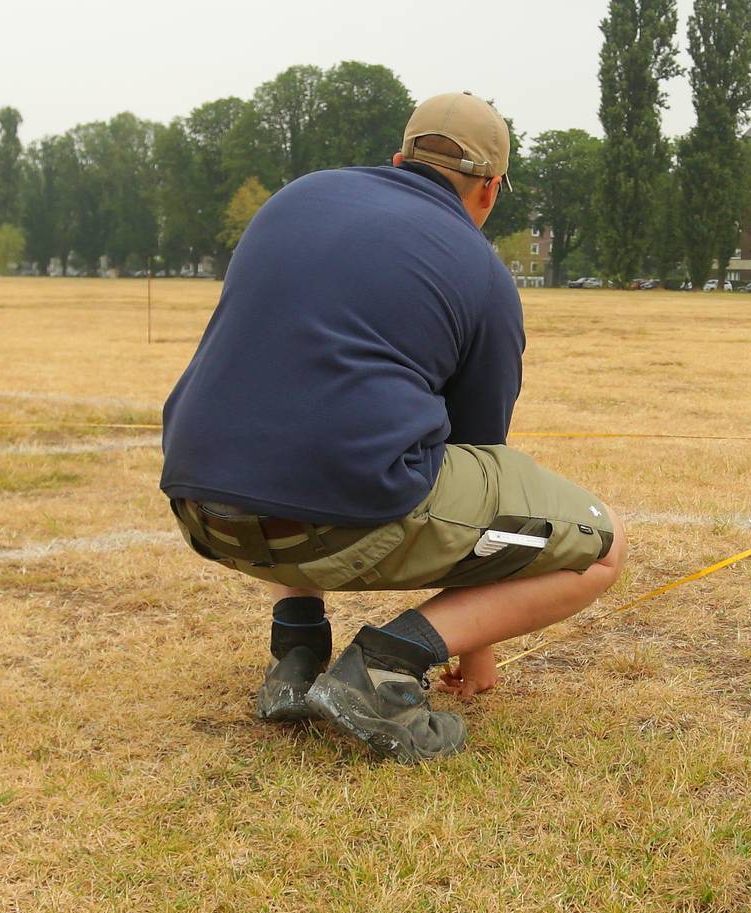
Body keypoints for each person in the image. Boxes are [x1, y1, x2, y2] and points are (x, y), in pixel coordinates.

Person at [159, 91, 625, 764]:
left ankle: (295, 656)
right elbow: (481, 460)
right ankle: (385, 668)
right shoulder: (484, 275)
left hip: (202, 506)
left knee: (303, 415)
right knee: (605, 545)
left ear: (400, 159)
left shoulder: (296, 198)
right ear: (490, 191)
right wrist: (473, 640)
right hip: (333, 519)